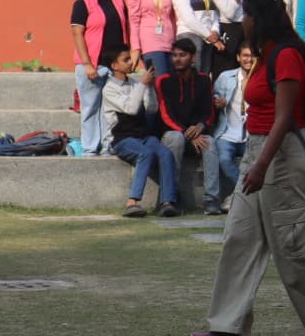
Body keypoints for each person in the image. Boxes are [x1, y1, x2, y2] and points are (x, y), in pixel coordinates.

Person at [190, 0, 305, 336]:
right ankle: (228, 323)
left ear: (258, 18)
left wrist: (260, 165)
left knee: (292, 243)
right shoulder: (268, 53)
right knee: (239, 237)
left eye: (246, 16)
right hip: (261, 150)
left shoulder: (286, 55)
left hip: (280, 154)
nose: (243, 22)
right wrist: (256, 162)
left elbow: (285, 116)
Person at [102, 47, 179, 218]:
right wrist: (143, 85)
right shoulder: (109, 89)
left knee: (165, 153)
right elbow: (130, 108)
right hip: (122, 139)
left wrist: (150, 88)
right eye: (126, 59)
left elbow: (152, 108)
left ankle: (167, 202)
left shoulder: (136, 84)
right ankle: (132, 202)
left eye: (130, 58)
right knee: (145, 154)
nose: (131, 62)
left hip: (143, 136)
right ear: (114, 65)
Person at [155, 37, 222, 215]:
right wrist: (186, 133)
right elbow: (165, 114)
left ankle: (211, 200)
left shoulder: (203, 81)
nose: (177, 59)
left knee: (211, 143)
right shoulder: (164, 80)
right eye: (174, 55)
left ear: (192, 57)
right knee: (176, 138)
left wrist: (200, 127)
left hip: (196, 133)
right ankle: (171, 198)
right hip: (174, 133)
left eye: (182, 55)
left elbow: (209, 113)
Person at [70, 0, 129, 156]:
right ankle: (90, 149)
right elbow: (77, 33)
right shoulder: (82, 2)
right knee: (90, 108)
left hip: (114, 65)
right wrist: (87, 64)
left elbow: (126, 26)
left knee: (110, 109)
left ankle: (108, 146)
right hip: (93, 64)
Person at [212, 41, 255, 208]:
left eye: (252, 56)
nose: (248, 59)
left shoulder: (261, 79)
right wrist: (217, 102)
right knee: (223, 159)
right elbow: (213, 97)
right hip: (227, 133)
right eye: (245, 55)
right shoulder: (225, 77)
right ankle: (247, 195)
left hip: (251, 135)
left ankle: (236, 197)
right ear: (238, 58)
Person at [126, 0, 177, 80]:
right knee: (161, 82)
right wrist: (135, 48)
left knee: (171, 83)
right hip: (149, 42)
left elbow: (172, 17)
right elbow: (134, 19)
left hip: (169, 41)